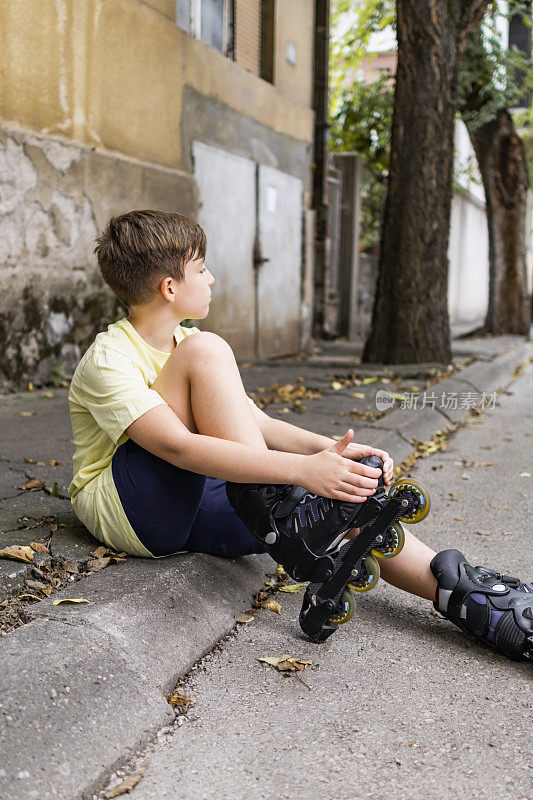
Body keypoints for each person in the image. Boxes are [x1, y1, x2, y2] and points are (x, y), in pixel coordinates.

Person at [68, 210, 532, 661]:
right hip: (132, 510)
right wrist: (301, 472)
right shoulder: (111, 358)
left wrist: (334, 456)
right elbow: (177, 446)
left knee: (347, 499)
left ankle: (469, 596)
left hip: (196, 497)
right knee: (214, 362)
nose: (210, 279)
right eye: (202, 268)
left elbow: (260, 426)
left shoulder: (185, 345)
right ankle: (278, 508)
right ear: (169, 287)